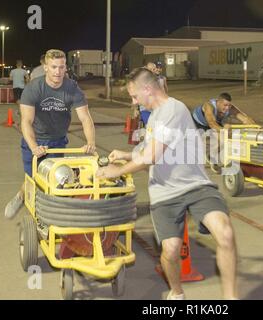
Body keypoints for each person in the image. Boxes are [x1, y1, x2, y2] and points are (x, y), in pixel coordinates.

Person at [96, 67, 238, 300]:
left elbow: (150, 157)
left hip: (196, 186)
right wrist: (124, 154)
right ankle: (176, 291)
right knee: (170, 251)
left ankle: (231, 298)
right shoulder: (154, 117)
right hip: (164, 191)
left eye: (134, 96)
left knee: (225, 233)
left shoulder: (173, 109)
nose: (134, 102)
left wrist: (116, 172)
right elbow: (146, 151)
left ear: (147, 89)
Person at [4, 49, 96, 219]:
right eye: (53, 67)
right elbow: (26, 121)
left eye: (61, 67)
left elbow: (85, 118)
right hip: (35, 140)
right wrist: (34, 147)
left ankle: (51, 215)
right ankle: (21, 197)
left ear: (65, 68)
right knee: (33, 179)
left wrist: (90, 142)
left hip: (58, 141)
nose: (57, 72)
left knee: (56, 178)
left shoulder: (72, 88)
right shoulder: (33, 88)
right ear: (45, 67)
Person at [192, 92, 255, 173]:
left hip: (212, 123)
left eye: (229, 105)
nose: (227, 108)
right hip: (197, 123)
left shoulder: (231, 108)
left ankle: (211, 157)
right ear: (218, 102)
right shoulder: (209, 106)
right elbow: (212, 123)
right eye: (225, 105)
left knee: (223, 138)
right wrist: (224, 130)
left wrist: (257, 129)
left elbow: (246, 119)